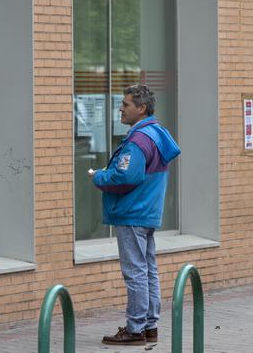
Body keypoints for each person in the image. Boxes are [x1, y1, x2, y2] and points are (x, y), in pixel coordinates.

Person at [88, 84, 180, 346]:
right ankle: (150, 326)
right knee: (148, 269)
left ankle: (135, 328)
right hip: (147, 212)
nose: (120, 108)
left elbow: (125, 176)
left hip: (132, 212)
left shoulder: (138, 140)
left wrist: (99, 177)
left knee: (135, 272)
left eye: (125, 104)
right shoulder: (156, 133)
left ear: (141, 108)